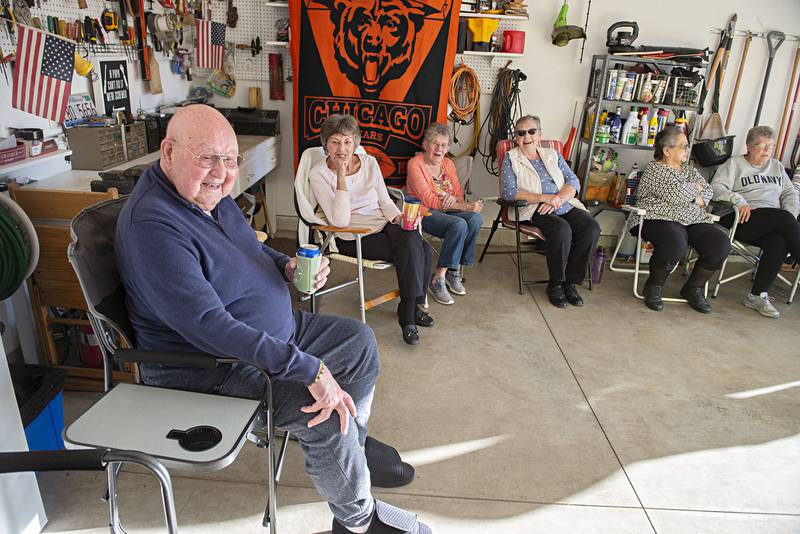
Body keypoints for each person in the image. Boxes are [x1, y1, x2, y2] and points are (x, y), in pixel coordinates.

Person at [116, 105, 431, 534]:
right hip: (216, 369)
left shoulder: (206, 195)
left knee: (358, 343)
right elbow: (211, 328)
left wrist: (285, 265)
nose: (221, 174)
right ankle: (358, 520)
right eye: (207, 157)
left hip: (271, 332)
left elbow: (251, 248)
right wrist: (309, 367)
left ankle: (353, 451)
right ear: (168, 152)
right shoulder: (154, 226)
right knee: (324, 409)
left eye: (230, 160)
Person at [309, 114, 434, 345]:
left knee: (416, 242)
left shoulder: (369, 163)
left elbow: (385, 202)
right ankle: (410, 312)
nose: (342, 149)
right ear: (325, 143)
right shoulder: (318, 174)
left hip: (382, 222)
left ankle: (408, 309)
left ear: (356, 143)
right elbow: (339, 219)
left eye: (347, 141)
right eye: (335, 141)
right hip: (353, 234)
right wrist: (340, 175)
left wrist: (399, 219)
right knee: (419, 249)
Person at [500, 114, 601, 308]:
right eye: (521, 133)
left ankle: (570, 283)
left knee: (591, 228)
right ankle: (555, 284)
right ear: (516, 138)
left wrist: (558, 199)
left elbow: (573, 181)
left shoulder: (552, 154)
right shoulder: (511, 158)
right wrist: (543, 198)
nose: (526, 136)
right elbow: (509, 191)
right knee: (562, 230)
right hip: (534, 209)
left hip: (563, 203)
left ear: (539, 135)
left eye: (531, 131)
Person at [628, 126, 731, 313]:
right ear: (667, 151)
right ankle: (654, 286)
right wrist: (694, 192)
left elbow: (708, 192)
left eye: (687, 146)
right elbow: (675, 194)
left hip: (691, 219)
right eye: (683, 146)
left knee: (720, 243)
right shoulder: (655, 169)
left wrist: (692, 192)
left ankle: (693, 288)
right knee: (675, 241)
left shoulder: (689, 170)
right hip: (656, 217)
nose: (687, 150)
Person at [711, 125, 800, 318]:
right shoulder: (734, 164)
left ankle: (757, 296)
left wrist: (791, 215)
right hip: (741, 217)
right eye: (762, 146)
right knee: (783, 219)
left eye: (771, 146)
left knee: (779, 241)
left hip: (773, 221)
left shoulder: (776, 166)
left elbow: (789, 193)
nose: (768, 151)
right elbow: (716, 188)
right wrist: (738, 200)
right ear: (749, 146)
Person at [406, 123, 483, 305]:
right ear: (425, 145)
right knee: (459, 224)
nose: (439, 149)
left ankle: (453, 271)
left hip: (449, 209)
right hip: (424, 212)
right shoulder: (415, 164)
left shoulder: (448, 164)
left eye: (444, 145)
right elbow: (428, 199)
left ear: (448, 148)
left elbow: (458, 194)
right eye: (435, 144)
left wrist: (455, 202)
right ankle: (438, 278)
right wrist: (463, 206)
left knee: (475, 219)